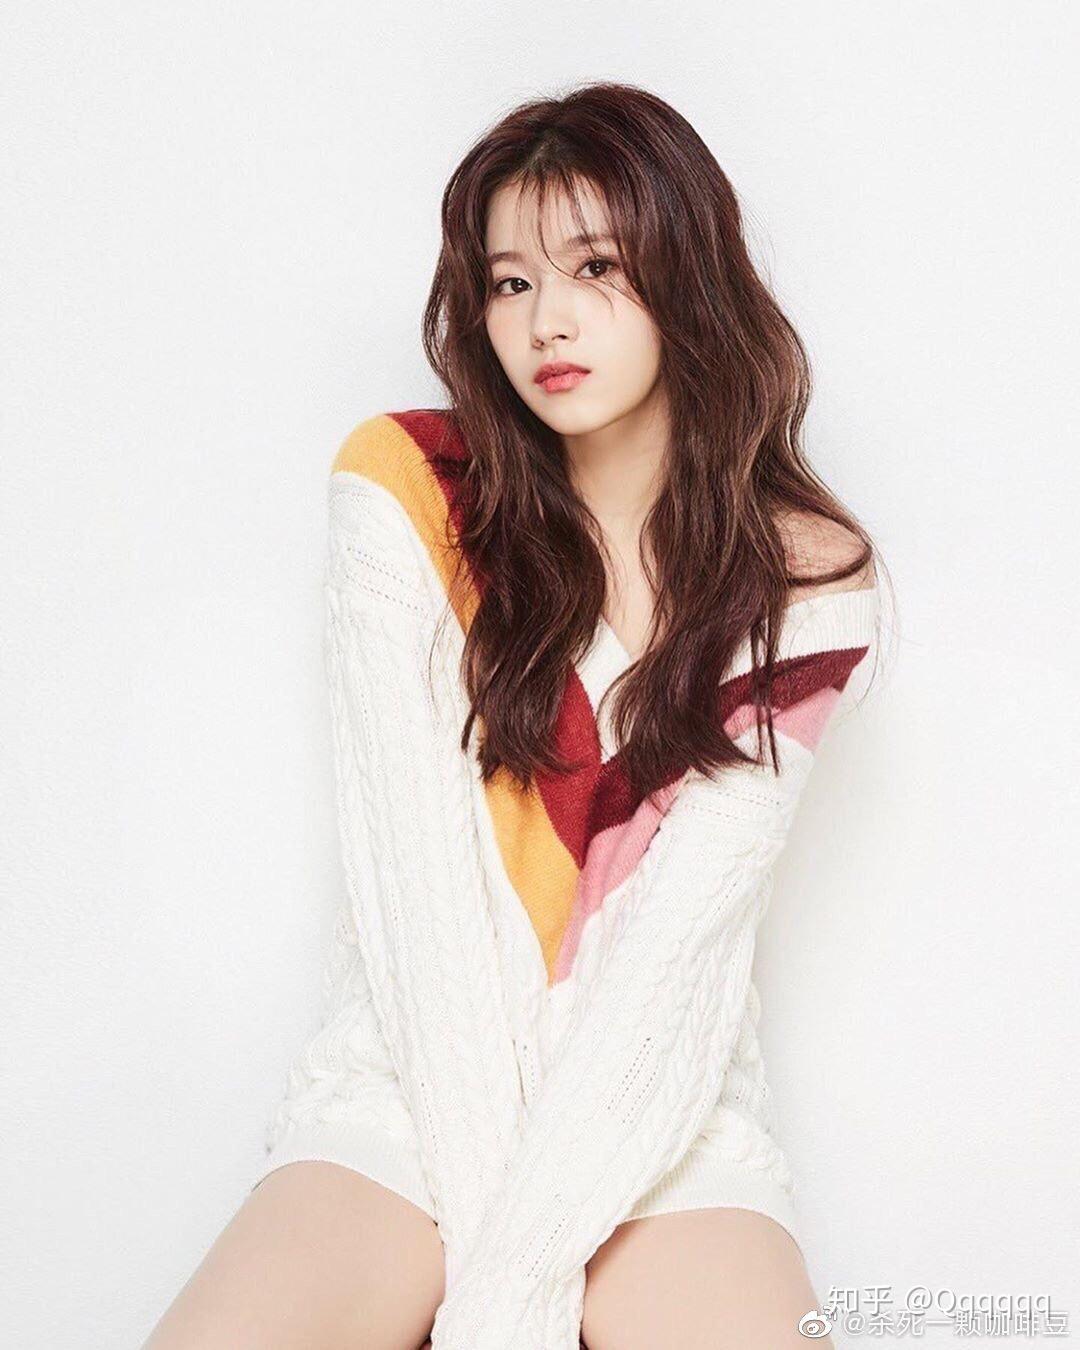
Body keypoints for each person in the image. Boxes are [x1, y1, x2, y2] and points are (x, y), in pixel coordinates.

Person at [143, 79, 887, 1350]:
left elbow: (674, 958)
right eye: (509, 282)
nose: (548, 320)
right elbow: (421, 912)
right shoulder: (407, 494)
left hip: (659, 1107)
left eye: (595, 267)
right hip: (409, 1088)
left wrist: (510, 1284)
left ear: (686, 273)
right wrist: (512, 1285)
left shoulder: (805, 579)